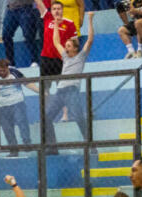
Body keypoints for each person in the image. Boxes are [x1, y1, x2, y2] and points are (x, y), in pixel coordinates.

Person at [44, 11, 94, 145]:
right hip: (60, 91)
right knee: (47, 118)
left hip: (72, 90)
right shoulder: (65, 57)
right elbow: (56, 42)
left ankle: (89, 143)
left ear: (75, 49)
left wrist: (90, 19)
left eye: (68, 46)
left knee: (78, 117)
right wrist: (56, 24)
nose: (65, 48)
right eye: (65, 46)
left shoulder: (80, 57)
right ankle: (52, 146)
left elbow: (89, 40)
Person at [34, 0, 77, 80]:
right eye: (54, 9)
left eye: (59, 9)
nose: (56, 11)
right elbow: (39, 2)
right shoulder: (47, 17)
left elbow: (75, 42)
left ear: (62, 10)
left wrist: (71, 57)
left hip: (61, 58)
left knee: (61, 83)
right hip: (46, 58)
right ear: (51, 11)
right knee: (44, 84)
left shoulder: (69, 23)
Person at [3, 0, 42, 67]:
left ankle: (35, 60)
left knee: (28, 34)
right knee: (6, 35)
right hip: (11, 9)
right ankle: (10, 63)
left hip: (25, 8)